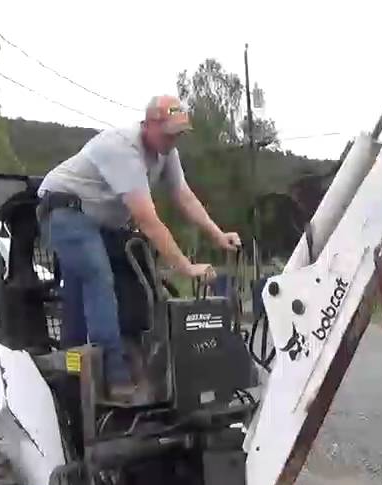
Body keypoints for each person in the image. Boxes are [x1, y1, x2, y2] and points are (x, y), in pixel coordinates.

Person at [37, 95, 242, 402]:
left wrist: (217, 234)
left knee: (119, 279)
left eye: (178, 135)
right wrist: (186, 267)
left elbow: (184, 197)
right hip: (64, 211)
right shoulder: (123, 149)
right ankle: (116, 376)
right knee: (99, 276)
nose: (173, 141)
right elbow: (148, 220)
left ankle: (73, 373)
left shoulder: (165, 152)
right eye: (169, 133)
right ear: (148, 124)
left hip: (99, 220)